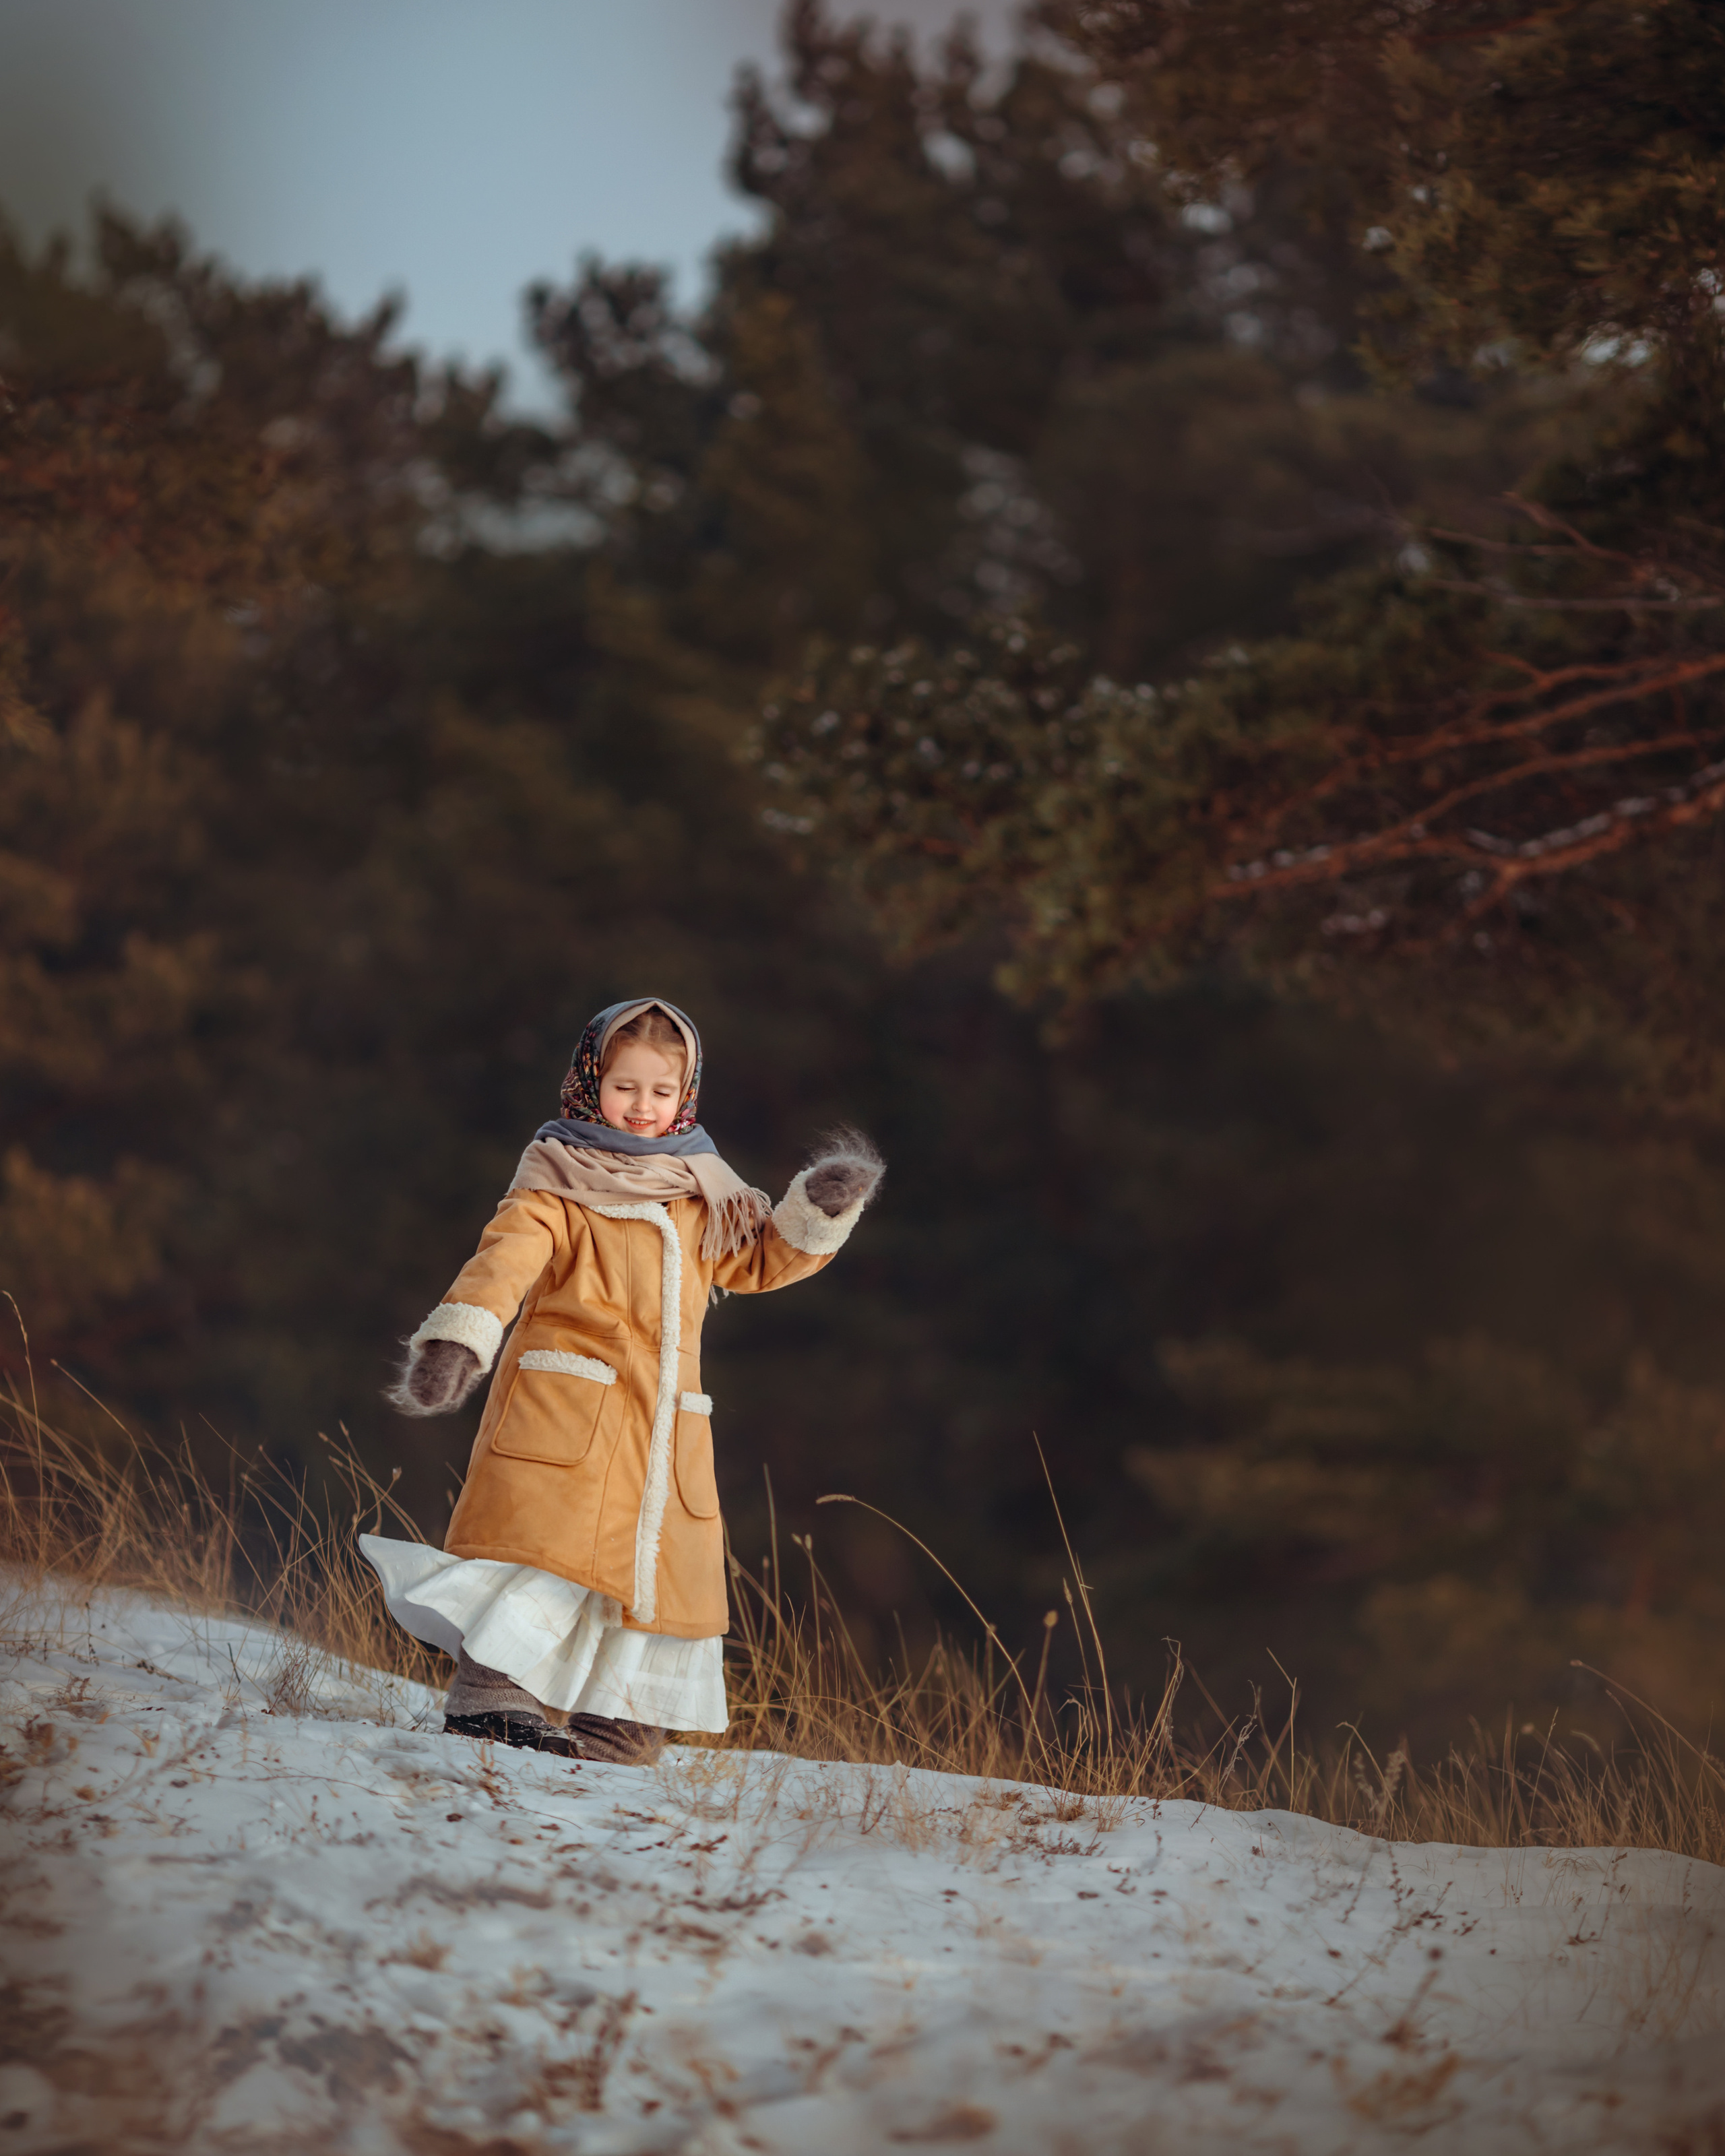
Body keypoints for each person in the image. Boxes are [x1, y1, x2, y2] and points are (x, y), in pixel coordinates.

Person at [360, 996, 883, 1763]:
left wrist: (815, 1212)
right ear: (588, 1082)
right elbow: (503, 1263)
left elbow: (758, 1260)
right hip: (569, 1410)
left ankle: (621, 1719)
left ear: (687, 1093)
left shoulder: (699, 1189)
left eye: (661, 1091)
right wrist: (461, 1338)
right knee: (546, 1560)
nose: (642, 1108)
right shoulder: (554, 1178)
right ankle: (494, 1696)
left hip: (663, 1427)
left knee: (653, 1579)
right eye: (625, 1087)